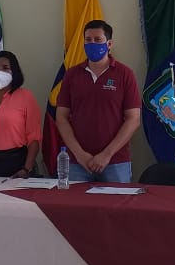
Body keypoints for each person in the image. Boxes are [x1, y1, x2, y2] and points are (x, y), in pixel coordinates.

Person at [55, 20, 141, 183]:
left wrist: (107, 154)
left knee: (117, 201)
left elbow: (133, 119)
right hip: (77, 162)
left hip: (115, 162)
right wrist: (80, 154)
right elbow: (61, 117)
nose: (92, 44)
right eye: (88, 40)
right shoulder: (72, 74)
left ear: (109, 44)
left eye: (98, 40)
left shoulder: (125, 74)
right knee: (72, 200)